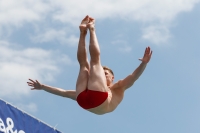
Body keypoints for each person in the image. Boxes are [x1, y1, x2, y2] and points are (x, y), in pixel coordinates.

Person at [27, 15, 152, 115]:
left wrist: (144, 64)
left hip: (91, 99)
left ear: (112, 78)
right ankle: (86, 31)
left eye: (105, 73)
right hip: (86, 100)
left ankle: (88, 30)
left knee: (91, 63)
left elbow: (134, 77)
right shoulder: (96, 86)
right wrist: (43, 87)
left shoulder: (118, 87)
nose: (101, 74)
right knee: (85, 65)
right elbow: (64, 93)